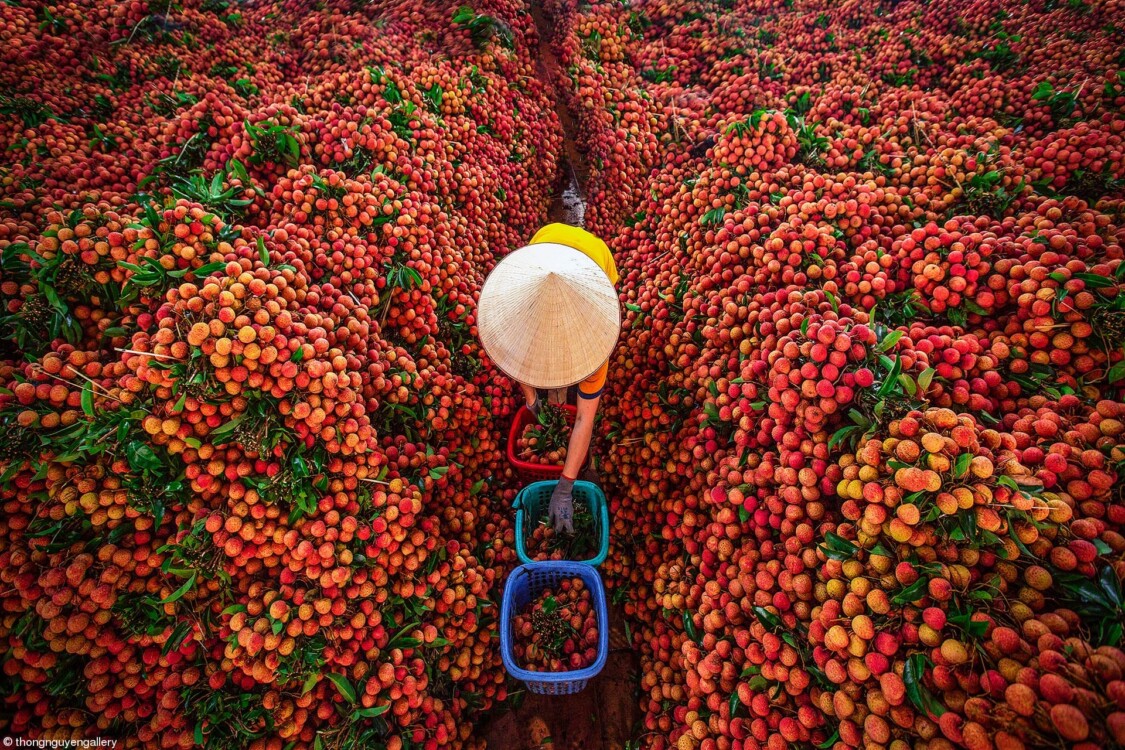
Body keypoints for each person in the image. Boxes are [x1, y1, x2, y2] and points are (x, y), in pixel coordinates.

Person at [477, 223, 620, 533]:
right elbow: (515, 357)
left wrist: (565, 486)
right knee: (539, 368)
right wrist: (532, 400)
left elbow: (584, 419)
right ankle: (553, 397)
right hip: (546, 241)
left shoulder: (595, 356)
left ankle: (556, 395)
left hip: (597, 259)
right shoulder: (520, 326)